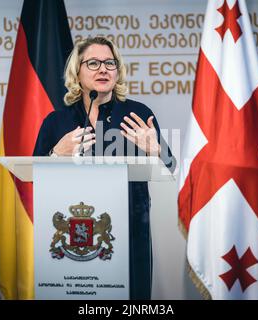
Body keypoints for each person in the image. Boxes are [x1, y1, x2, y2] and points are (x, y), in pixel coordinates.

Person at [33, 36, 175, 300]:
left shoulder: (137, 114)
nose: (103, 69)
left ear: (118, 70)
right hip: (71, 236)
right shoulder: (56, 121)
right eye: (94, 63)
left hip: (131, 231)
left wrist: (156, 151)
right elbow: (33, 177)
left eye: (110, 63)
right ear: (77, 71)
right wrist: (55, 154)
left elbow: (170, 168)